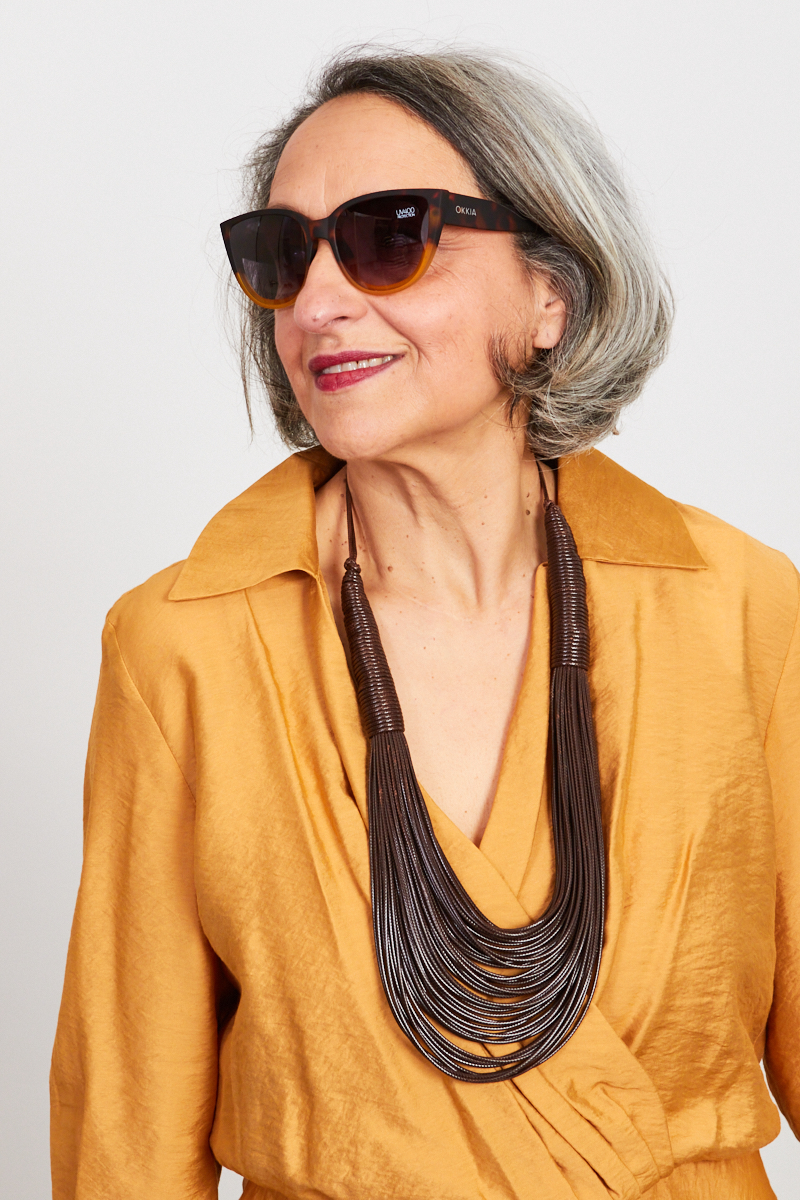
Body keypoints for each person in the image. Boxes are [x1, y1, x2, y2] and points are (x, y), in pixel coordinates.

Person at [50, 48, 799, 1200]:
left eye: (388, 236)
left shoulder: (741, 609)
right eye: (282, 254)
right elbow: (127, 1131)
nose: (316, 302)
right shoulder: (181, 647)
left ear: (550, 292)